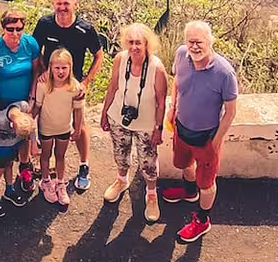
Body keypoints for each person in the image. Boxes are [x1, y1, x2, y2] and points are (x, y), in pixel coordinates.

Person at [162, 19, 238, 244]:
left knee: (206, 183)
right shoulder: (181, 55)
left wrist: (216, 141)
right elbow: (176, 82)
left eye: (200, 42)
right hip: (182, 128)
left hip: (207, 137)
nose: (194, 46)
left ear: (210, 42)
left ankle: (202, 220)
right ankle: (188, 192)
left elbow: (231, 112)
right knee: (184, 165)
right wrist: (172, 108)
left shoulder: (224, 73)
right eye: (191, 41)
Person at [33, 0, 105, 195]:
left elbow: (99, 56)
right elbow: (35, 52)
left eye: (67, 3)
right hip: (50, 83)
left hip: (75, 84)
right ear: (53, 4)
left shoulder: (85, 28)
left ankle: (84, 165)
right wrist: (42, 72)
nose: (62, 8)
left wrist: (87, 82)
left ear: (75, 5)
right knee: (47, 119)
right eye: (59, 3)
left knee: (79, 124)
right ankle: (43, 167)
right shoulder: (45, 24)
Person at [99, 22, 169, 224]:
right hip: (119, 118)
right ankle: (121, 181)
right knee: (120, 153)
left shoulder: (156, 67)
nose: (134, 47)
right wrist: (105, 114)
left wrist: (158, 129)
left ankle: (152, 194)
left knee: (147, 162)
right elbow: (112, 88)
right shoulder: (121, 59)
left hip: (146, 124)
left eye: (138, 43)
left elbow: (162, 101)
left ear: (147, 44)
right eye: (130, 42)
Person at [0, 7, 41, 216]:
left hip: (23, 102)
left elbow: (37, 72)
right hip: (1, 105)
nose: (15, 34)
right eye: (10, 29)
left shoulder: (30, 44)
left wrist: (33, 98)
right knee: (1, 140)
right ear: (3, 28)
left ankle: (23, 170)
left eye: (19, 29)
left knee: (21, 138)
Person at [33, 47, 85, 208]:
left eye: (64, 68)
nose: (60, 71)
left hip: (64, 128)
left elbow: (78, 109)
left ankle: (60, 183)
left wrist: (77, 129)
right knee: (45, 155)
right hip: (46, 128)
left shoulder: (75, 87)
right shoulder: (43, 85)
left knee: (61, 156)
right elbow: (37, 106)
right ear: (50, 68)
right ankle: (46, 181)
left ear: (70, 67)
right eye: (57, 68)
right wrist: (30, 125)